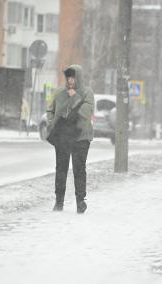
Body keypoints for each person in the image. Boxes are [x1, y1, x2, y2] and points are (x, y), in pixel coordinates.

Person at [46, 65, 94, 213]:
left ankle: (80, 202)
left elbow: (85, 112)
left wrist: (74, 96)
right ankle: (58, 202)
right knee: (61, 170)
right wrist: (51, 122)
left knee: (79, 170)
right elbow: (50, 110)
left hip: (80, 137)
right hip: (63, 137)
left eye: (73, 77)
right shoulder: (59, 92)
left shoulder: (87, 93)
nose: (70, 80)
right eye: (68, 77)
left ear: (78, 77)